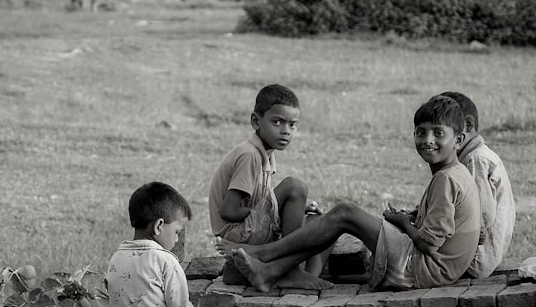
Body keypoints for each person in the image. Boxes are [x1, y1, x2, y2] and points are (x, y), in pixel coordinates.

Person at [218, 96, 482, 292]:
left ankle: (263, 254)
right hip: (437, 267)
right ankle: (271, 270)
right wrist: (412, 217)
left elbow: (427, 244)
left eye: (439, 134)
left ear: (458, 140)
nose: (428, 140)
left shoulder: (446, 178)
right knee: (332, 218)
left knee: (345, 212)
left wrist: (402, 223)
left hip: (424, 269)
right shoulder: (455, 172)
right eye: (421, 132)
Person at [208, 84, 332, 291]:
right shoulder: (249, 155)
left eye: (292, 125)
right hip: (236, 233)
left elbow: (261, 200)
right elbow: (229, 211)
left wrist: (281, 207)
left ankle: (307, 274)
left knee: (320, 222)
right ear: (256, 121)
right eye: (277, 122)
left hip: (250, 226)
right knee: (295, 187)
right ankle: (291, 271)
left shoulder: (265, 153)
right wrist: (277, 207)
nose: (286, 131)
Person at [106, 181, 241, 307]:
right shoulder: (165, 261)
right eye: (177, 231)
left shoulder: (116, 258)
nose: (177, 239)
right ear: (159, 226)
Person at [436, 91, 515, 279]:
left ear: (468, 125)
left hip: (475, 259)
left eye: (441, 132)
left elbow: (482, 217)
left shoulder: (476, 160)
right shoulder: (471, 157)